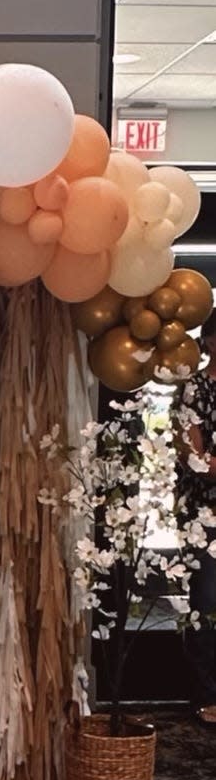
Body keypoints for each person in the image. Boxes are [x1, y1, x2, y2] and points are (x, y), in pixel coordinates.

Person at [176, 309, 216, 727]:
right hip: (203, 515)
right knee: (206, 602)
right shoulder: (194, 389)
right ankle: (205, 695)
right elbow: (194, 458)